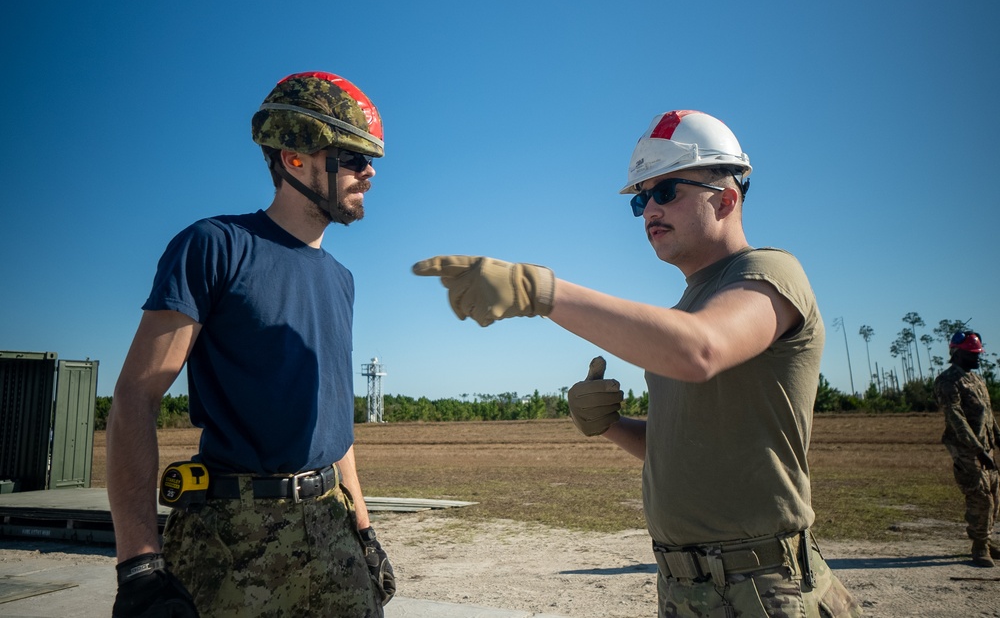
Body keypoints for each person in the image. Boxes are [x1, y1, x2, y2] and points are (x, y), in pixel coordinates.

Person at [413, 110, 861, 616]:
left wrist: (537, 291)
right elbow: (681, 450)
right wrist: (609, 426)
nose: (650, 208)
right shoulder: (684, 311)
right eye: (641, 198)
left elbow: (700, 349)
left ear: (728, 198)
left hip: (763, 585)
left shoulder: (770, 273)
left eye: (667, 190)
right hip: (684, 587)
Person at [107, 71, 395, 617]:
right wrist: (140, 564)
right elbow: (133, 399)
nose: (370, 174)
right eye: (354, 159)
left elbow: (335, 423)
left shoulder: (342, 279)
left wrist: (363, 527)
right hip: (232, 543)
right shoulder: (215, 247)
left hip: (332, 533)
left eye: (370, 161)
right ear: (295, 159)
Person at [933, 330, 1000, 568]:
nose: (978, 357)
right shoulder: (947, 381)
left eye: (978, 352)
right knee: (981, 497)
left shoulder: (976, 380)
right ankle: (979, 547)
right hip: (966, 450)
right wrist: (977, 450)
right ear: (958, 354)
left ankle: (987, 539)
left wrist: (997, 439)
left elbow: (987, 414)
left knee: (994, 495)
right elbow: (956, 418)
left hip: (986, 447)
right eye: (973, 354)